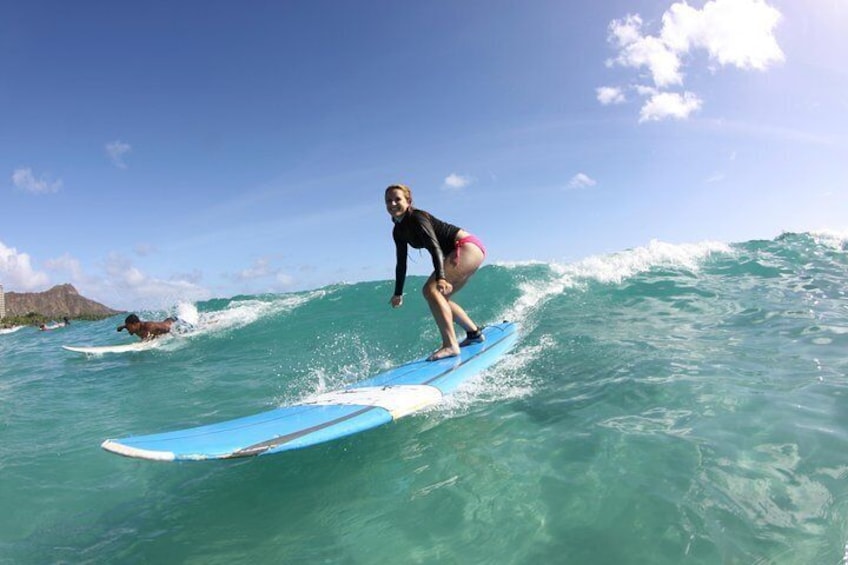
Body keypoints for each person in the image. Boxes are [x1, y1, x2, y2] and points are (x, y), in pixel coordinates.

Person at [385, 183, 486, 361]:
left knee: (430, 290)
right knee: (441, 298)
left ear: (408, 201)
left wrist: (440, 278)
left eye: (397, 199)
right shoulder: (398, 230)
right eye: (388, 201)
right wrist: (398, 293)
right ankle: (473, 333)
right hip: (462, 251)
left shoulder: (418, 217)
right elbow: (401, 263)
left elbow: (434, 247)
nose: (392, 204)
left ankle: (450, 345)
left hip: (465, 247)